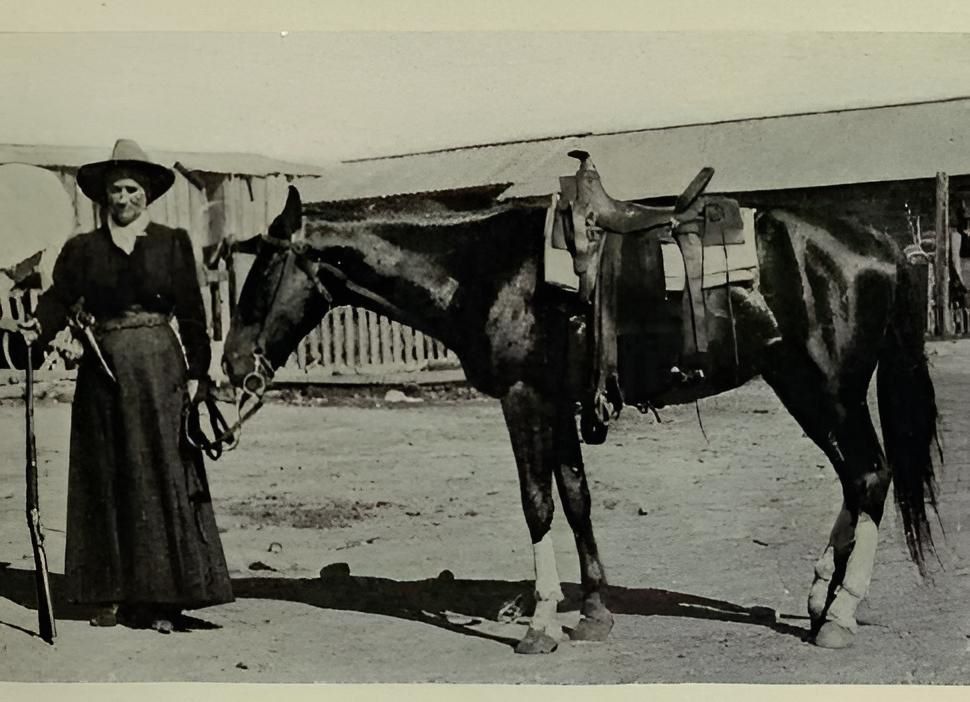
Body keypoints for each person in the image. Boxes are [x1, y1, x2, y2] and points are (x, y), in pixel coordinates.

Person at [10, 139, 234, 633]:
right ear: (103, 196)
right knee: (107, 478)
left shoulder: (173, 243)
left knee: (161, 477)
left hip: (160, 373)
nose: (124, 198)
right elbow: (57, 300)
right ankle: (106, 594)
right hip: (103, 374)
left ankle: (163, 599)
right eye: (116, 190)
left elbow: (193, 314)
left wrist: (199, 375)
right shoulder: (81, 251)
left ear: (148, 194)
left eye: (132, 189)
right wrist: (35, 330)